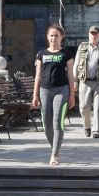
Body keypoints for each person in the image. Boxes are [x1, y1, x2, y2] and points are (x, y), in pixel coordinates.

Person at [30, 25, 72, 165]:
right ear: (47, 37)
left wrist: (72, 95)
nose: (54, 38)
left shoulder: (66, 54)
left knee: (57, 122)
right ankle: (55, 146)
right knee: (46, 124)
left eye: (56, 36)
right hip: (44, 91)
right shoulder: (41, 54)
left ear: (61, 37)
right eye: (51, 36)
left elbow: (71, 76)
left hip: (61, 90)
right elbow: (37, 76)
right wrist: (35, 95)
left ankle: (54, 154)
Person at [73, 26, 99, 138]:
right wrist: (75, 81)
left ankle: (96, 131)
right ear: (89, 34)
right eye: (92, 33)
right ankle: (87, 126)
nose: (94, 36)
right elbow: (76, 64)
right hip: (85, 82)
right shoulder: (82, 47)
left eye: (96, 34)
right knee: (84, 107)